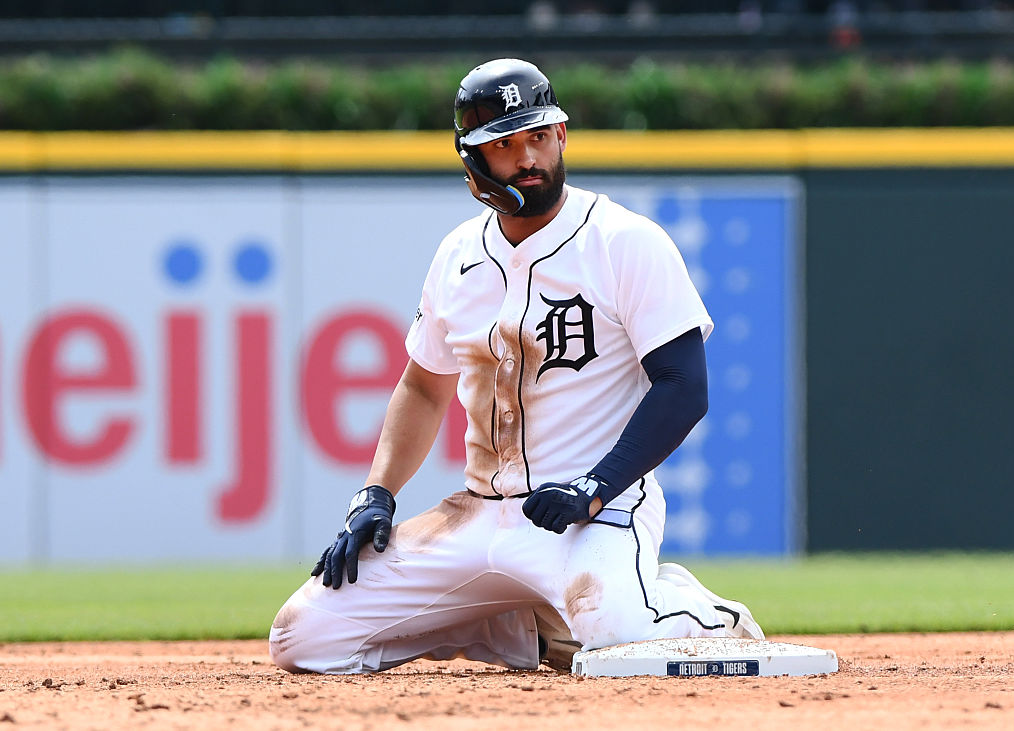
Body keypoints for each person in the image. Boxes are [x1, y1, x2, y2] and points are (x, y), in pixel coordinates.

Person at [269, 58, 764, 675]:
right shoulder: (457, 255)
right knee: (301, 639)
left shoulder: (624, 241)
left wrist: (597, 485)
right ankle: (525, 627)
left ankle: (691, 611)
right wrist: (376, 493)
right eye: (505, 145)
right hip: (479, 513)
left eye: (539, 136)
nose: (529, 158)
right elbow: (423, 388)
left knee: (621, 635)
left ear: (561, 135)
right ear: (473, 162)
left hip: (595, 511)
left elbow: (684, 386)